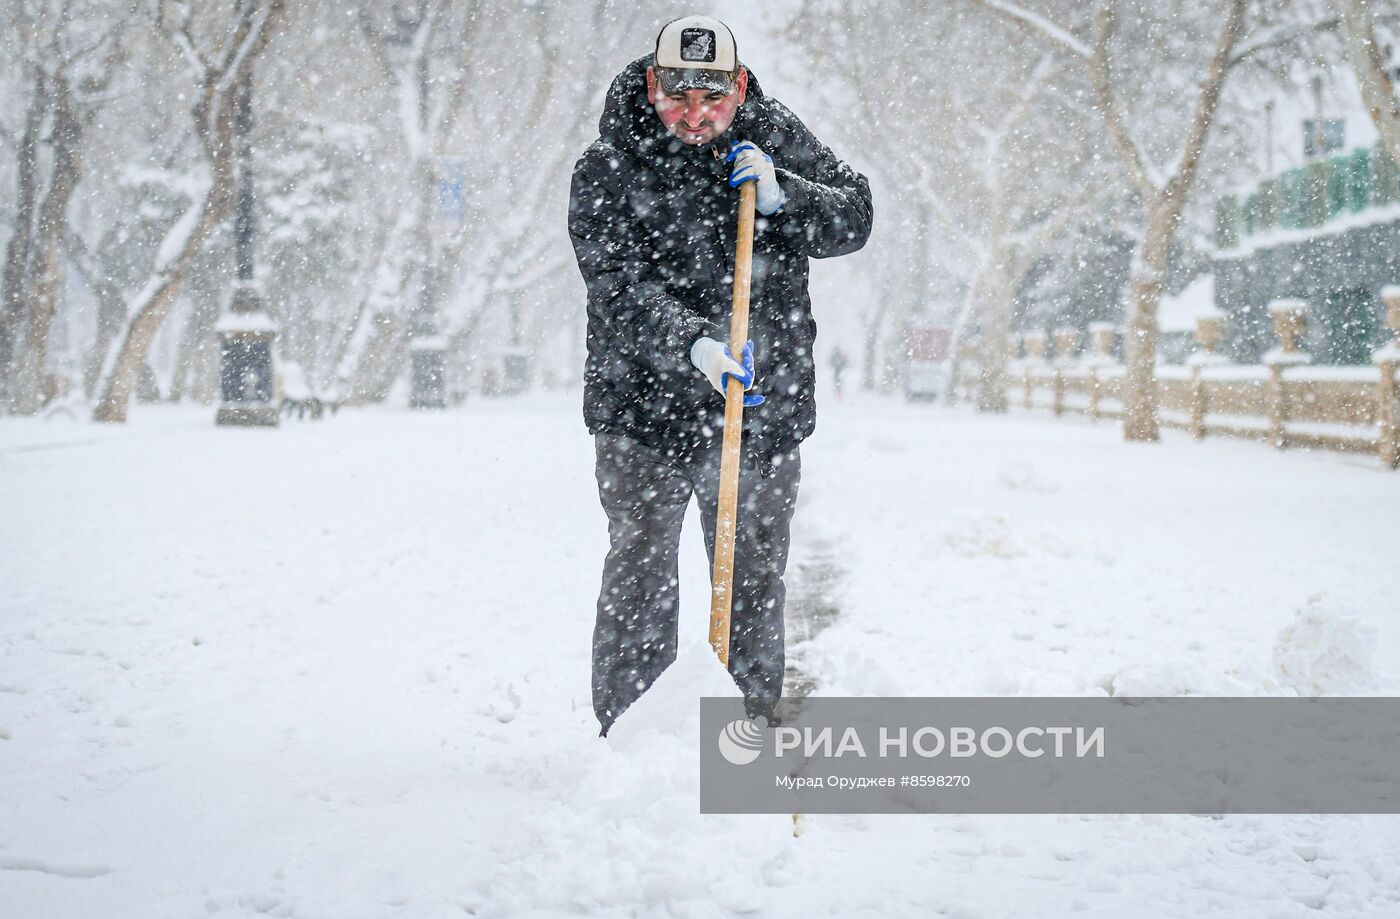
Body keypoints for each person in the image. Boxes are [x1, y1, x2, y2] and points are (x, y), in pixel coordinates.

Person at [568, 15, 872, 736]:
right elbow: (615, 286)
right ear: (652, 83)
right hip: (639, 409)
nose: (697, 118)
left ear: (738, 87)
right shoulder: (607, 167)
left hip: (759, 407)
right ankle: (634, 743)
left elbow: (855, 215)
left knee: (750, 582)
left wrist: (784, 195)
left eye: (714, 101)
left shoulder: (774, 135)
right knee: (640, 574)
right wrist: (692, 344)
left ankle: (745, 743)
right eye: (679, 100)